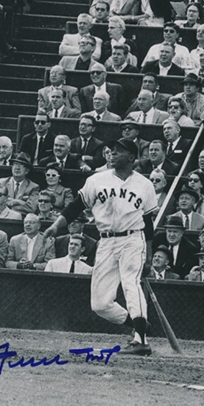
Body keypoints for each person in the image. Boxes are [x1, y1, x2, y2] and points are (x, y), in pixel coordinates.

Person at [44, 138, 158, 356]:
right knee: (100, 303)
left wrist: (149, 255)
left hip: (133, 239)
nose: (112, 153)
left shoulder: (145, 184)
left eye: (119, 151)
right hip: (105, 240)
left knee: (130, 283)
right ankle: (139, 324)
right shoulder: (97, 180)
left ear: (132, 158)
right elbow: (76, 205)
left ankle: (141, 340)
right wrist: (56, 225)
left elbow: (149, 224)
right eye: (111, 150)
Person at [152, 215, 198, 279]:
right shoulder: (156, 242)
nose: (171, 235)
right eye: (169, 231)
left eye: (175, 232)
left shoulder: (190, 249)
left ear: (182, 233)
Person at [0, 152, 40, 217]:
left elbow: (31, 208)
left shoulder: (33, 187)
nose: (17, 168)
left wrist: (15, 202)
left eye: (21, 165)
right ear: (12, 167)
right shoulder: (1, 183)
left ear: (27, 171)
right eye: (15, 164)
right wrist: (21, 202)